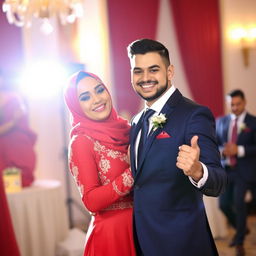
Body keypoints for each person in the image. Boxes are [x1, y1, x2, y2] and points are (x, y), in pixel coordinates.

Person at [127, 38, 227, 256]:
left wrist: (198, 170)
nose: (145, 78)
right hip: (143, 238)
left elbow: (218, 181)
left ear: (169, 72)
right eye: (138, 71)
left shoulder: (194, 115)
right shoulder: (136, 120)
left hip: (182, 243)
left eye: (153, 69)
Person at [64, 71, 136, 256]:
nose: (97, 99)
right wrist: (133, 173)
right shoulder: (81, 141)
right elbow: (91, 201)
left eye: (99, 90)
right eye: (85, 97)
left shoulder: (127, 130)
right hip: (112, 236)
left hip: (143, 226)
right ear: (76, 106)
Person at [216, 89, 256, 256]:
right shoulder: (221, 121)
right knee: (223, 204)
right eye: (232, 104)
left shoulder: (253, 122)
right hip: (226, 170)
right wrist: (222, 151)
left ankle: (239, 242)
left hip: (244, 171)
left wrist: (238, 149)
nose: (235, 107)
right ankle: (242, 229)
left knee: (239, 205)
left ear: (244, 102)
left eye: (238, 104)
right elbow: (216, 144)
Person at [0, 72, 36, 187]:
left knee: (21, 176)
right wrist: (12, 123)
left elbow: (21, 116)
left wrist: (15, 121)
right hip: (2, 143)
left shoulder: (14, 97)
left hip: (16, 141)